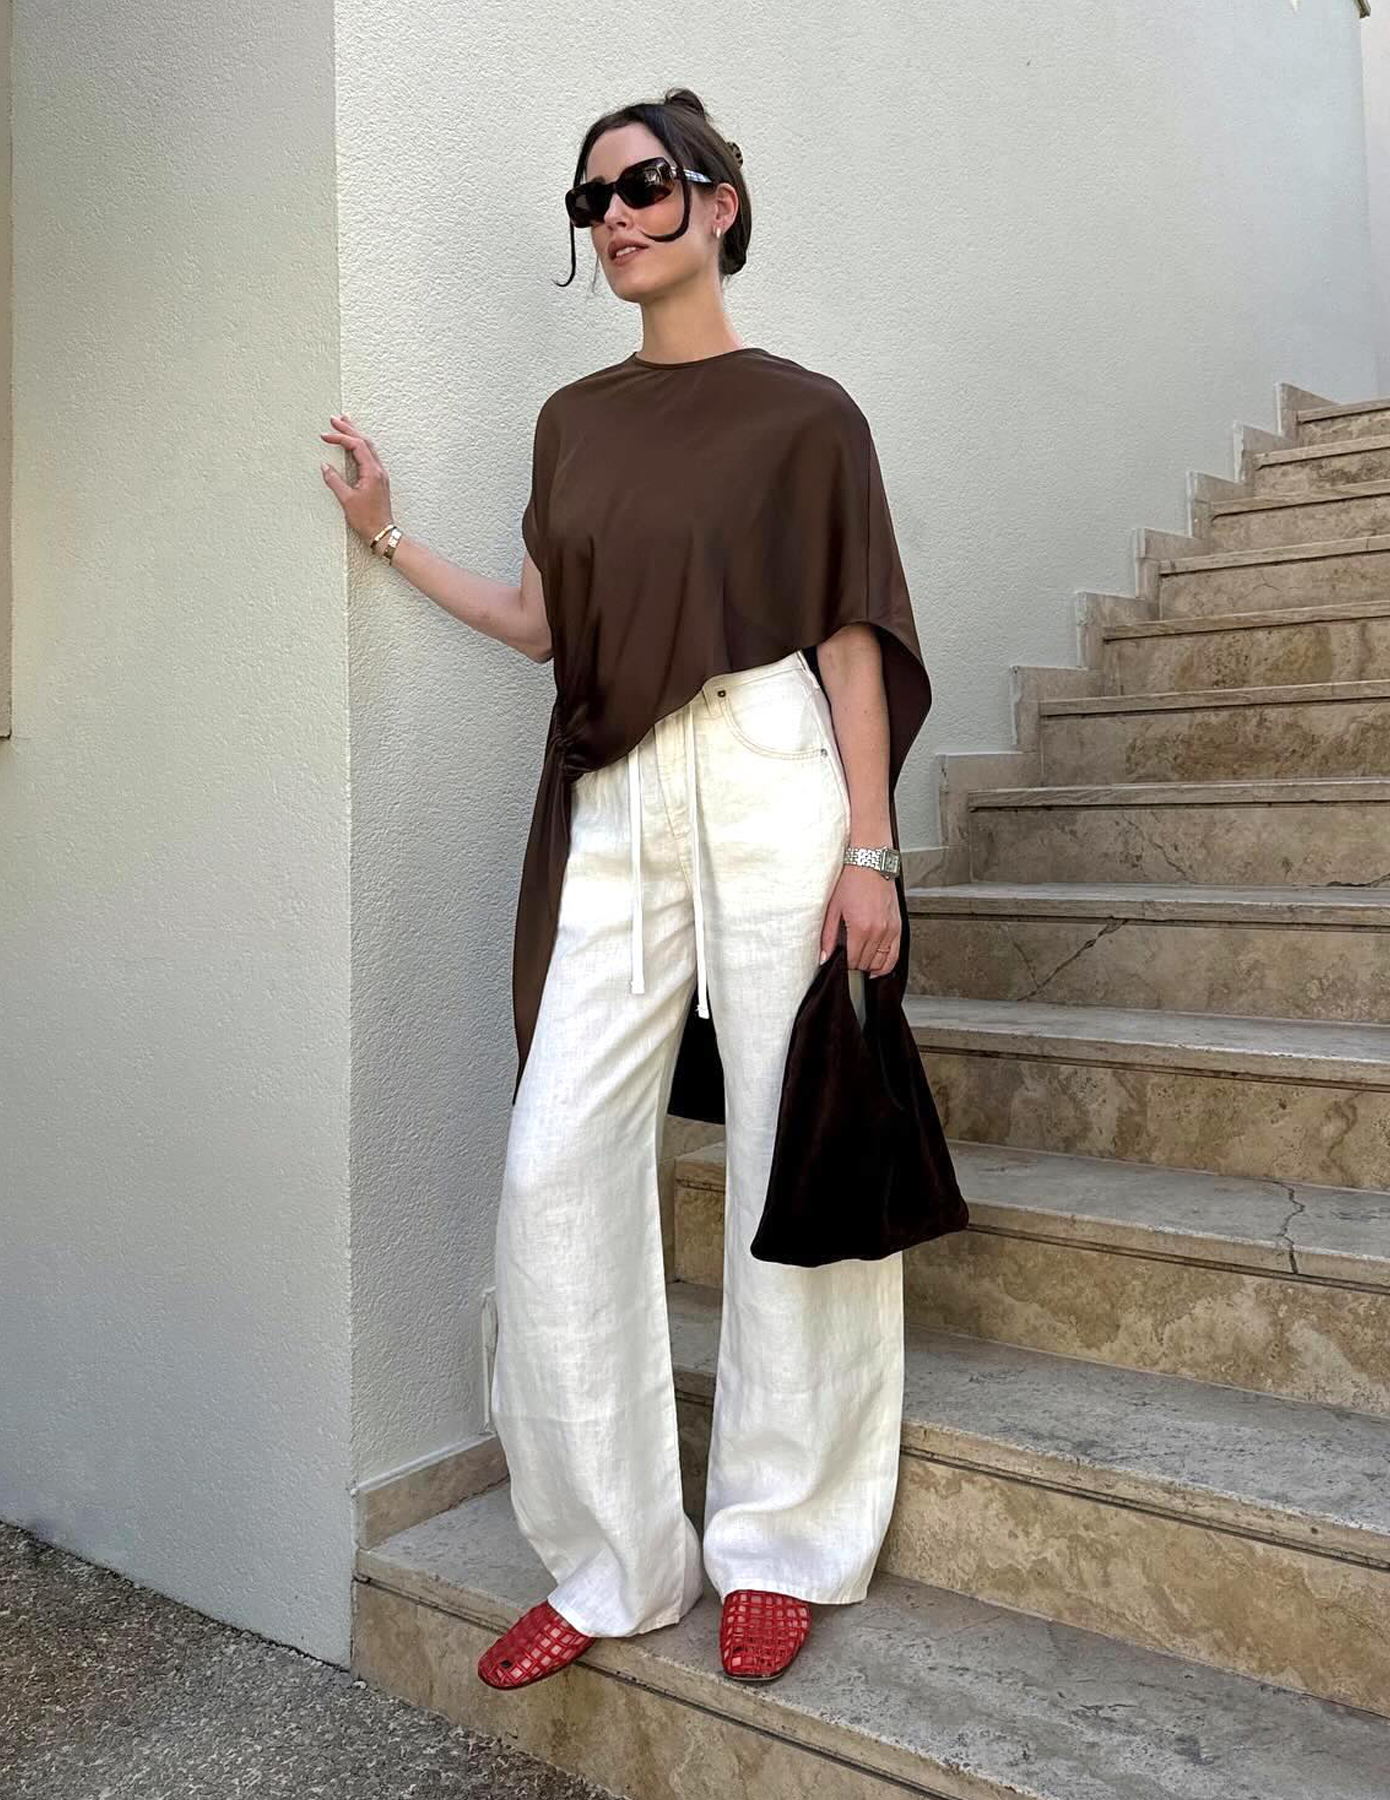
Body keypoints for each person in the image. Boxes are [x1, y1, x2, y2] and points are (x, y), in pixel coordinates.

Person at [321, 84, 966, 1692]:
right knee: (552, 1168)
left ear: (723, 204)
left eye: (648, 186)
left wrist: (870, 846)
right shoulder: (572, 422)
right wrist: (393, 541)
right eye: (592, 198)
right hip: (615, 799)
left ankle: (784, 1539)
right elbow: (548, 627)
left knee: (782, 1151)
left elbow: (847, 639)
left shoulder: (809, 414)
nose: (615, 216)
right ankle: (613, 1560)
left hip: (769, 769)